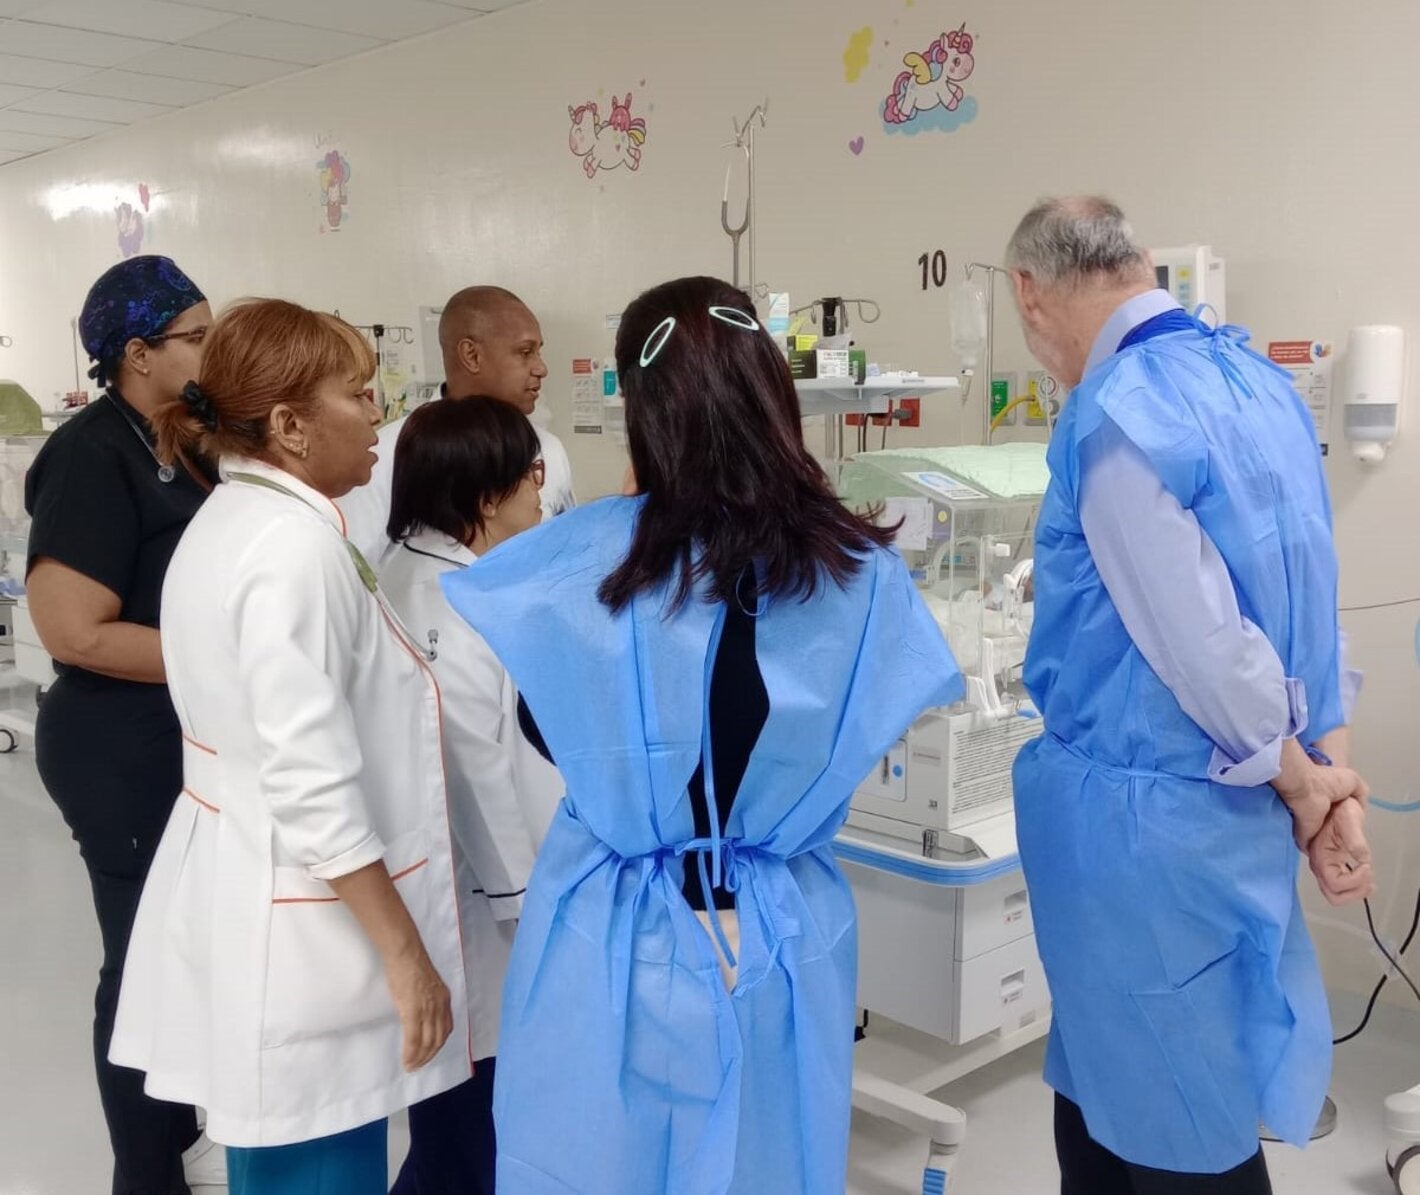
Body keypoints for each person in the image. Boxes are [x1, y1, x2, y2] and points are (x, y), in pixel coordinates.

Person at [441, 275, 966, 1194]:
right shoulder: (857, 571)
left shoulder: (585, 575)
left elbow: (545, 721)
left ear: (645, 416)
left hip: (621, 931)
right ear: (773, 392)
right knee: (768, 1155)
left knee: (606, 1162)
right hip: (776, 930)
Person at [1004, 196, 1375, 1195]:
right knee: (1101, 1086)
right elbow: (1308, 593)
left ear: (1027, 295)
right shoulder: (1256, 381)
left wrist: (1305, 785)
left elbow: (1203, 645)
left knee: (1179, 1122)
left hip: (1146, 829)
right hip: (1220, 805)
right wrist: (1324, 766)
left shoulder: (1118, 414)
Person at [109, 298, 472, 1195]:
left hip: (258, 888)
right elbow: (311, 782)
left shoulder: (243, 521)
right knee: (317, 1164)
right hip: (305, 920)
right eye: (359, 393)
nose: (379, 412)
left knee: (283, 1165)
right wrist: (405, 954)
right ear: (291, 426)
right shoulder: (289, 550)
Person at [23, 255, 224, 1194]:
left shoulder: (177, 439)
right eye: (198, 336)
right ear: (138, 353)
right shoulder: (90, 453)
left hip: (173, 731)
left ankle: (179, 1142)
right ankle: (146, 1177)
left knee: (183, 958)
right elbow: (72, 629)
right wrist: (224, 655)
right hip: (115, 745)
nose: (212, 351)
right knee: (144, 965)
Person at [379, 397, 564, 1195]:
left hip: (447, 886)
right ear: (485, 498)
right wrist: (527, 903)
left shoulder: (406, 568)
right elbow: (471, 763)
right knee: (470, 1122)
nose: (543, 480)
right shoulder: (455, 603)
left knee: (455, 1113)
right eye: (529, 470)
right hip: (478, 905)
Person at [337, 286, 574, 564]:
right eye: (524, 352)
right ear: (471, 355)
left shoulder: (548, 449)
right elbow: (360, 572)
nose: (541, 368)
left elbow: (566, 547)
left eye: (538, 352)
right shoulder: (385, 455)